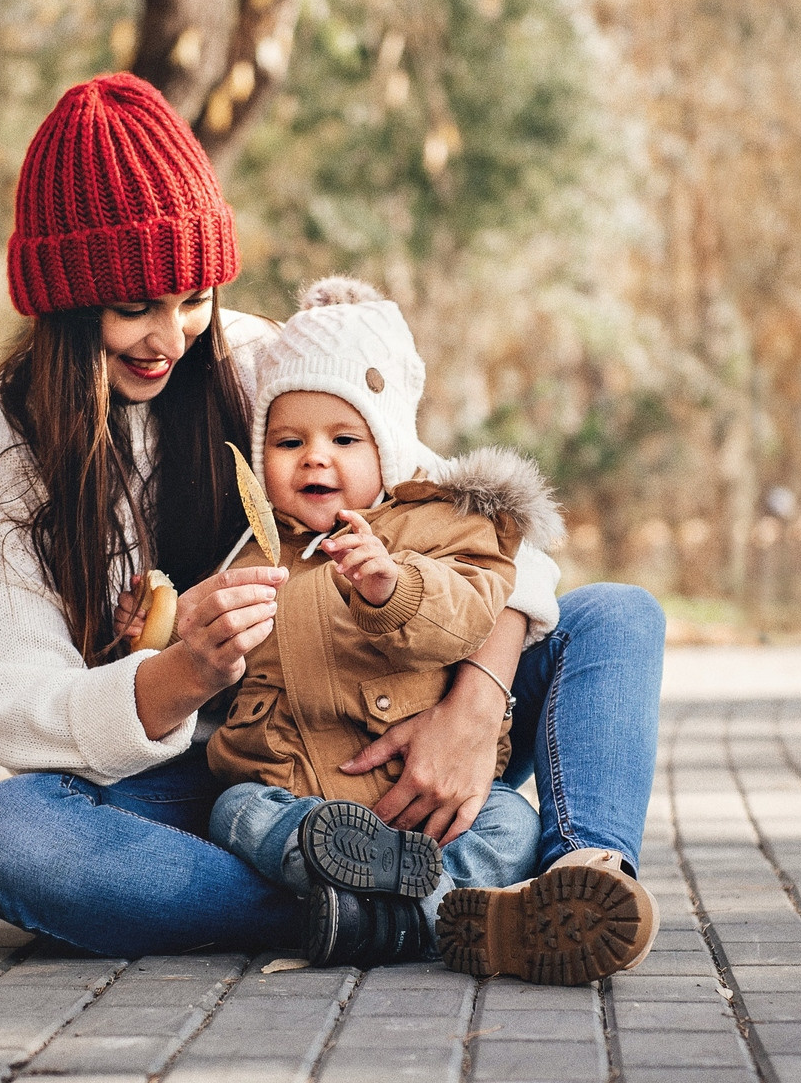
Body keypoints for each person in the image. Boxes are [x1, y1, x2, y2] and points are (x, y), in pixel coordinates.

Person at [0, 72, 665, 983]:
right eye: (135, 308)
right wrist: (177, 676)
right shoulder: (0, 456)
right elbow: (18, 707)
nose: (171, 335)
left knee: (614, 617)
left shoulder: (257, 362)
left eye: (192, 294)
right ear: (66, 300)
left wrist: (474, 711)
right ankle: (421, 910)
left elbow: (489, 535)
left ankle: (581, 875)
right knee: (10, 837)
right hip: (224, 777)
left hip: (385, 722)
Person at [194, 277, 552, 970]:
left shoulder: (437, 527)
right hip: (299, 792)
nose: (315, 456)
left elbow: (470, 611)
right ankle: (418, 909)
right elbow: (211, 674)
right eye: (289, 440)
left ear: (386, 444)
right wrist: (172, 632)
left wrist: (393, 585)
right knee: (233, 810)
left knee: (513, 823)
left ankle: (412, 906)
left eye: (344, 437)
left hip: (420, 804)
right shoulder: (250, 550)